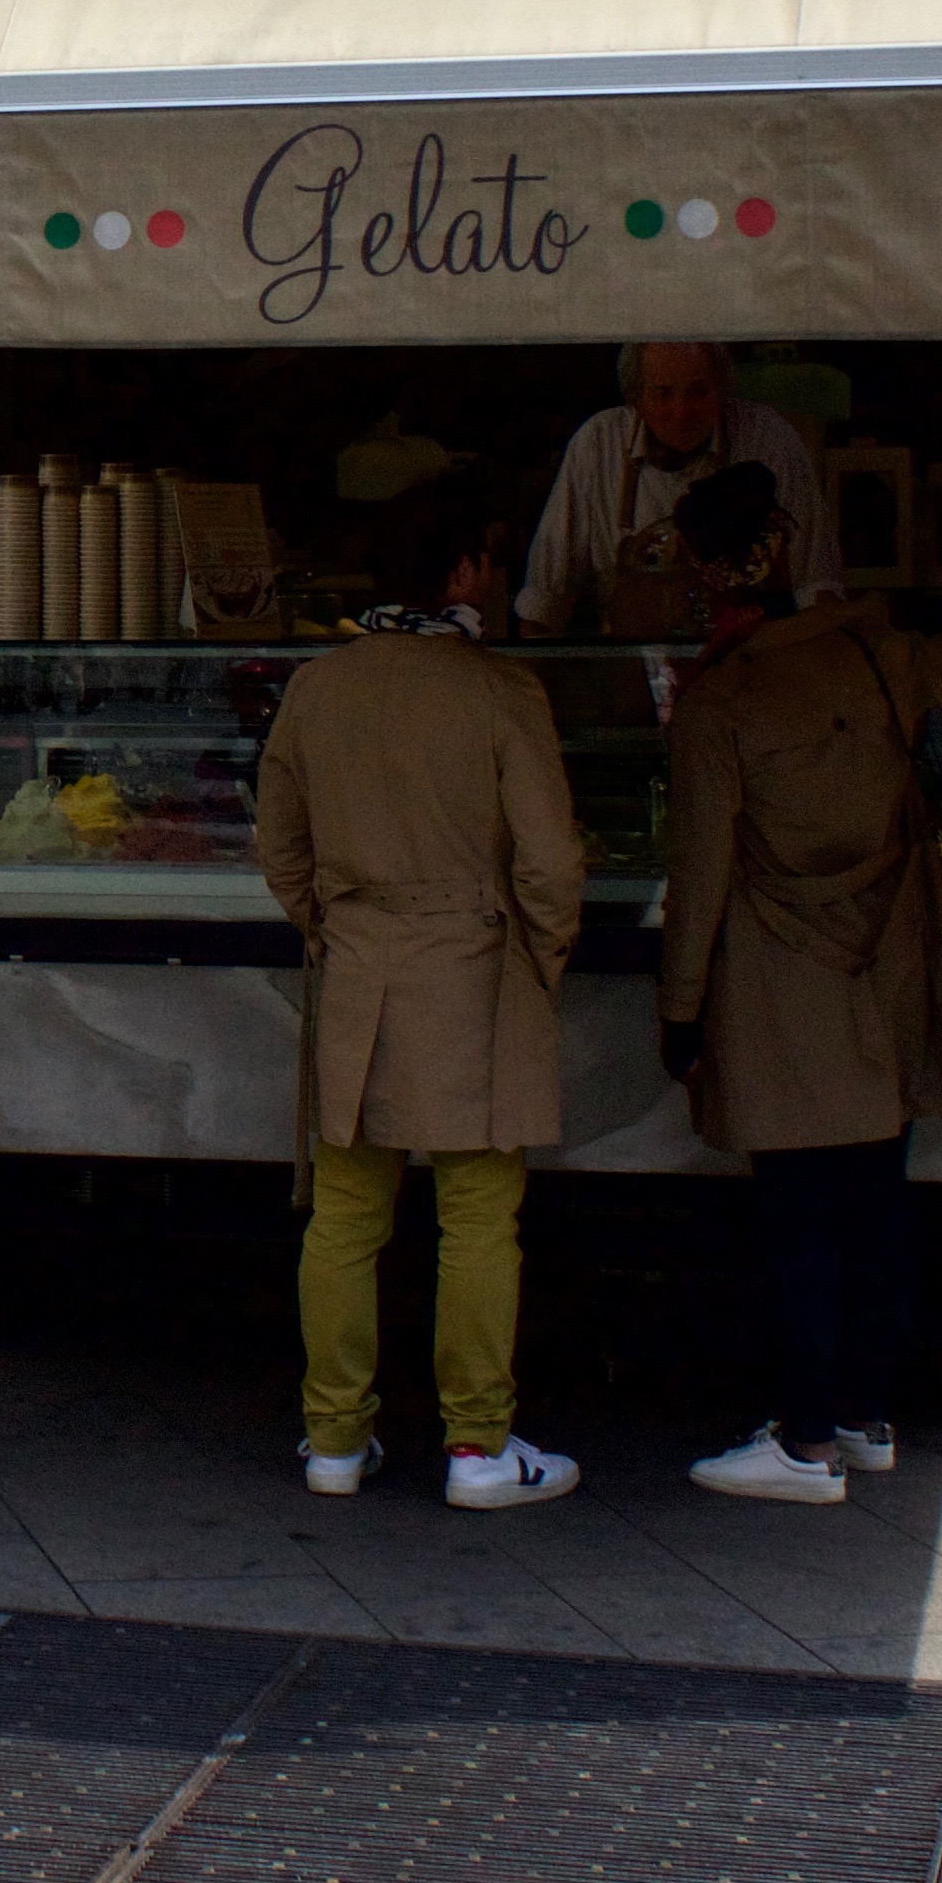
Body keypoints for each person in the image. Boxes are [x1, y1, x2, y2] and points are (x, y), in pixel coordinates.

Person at [655, 460, 942, 1503]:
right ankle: (862, 1415)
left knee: (798, 1216)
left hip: (779, 978)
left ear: (705, 576)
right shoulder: (875, 652)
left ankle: (802, 1441)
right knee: (876, 1203)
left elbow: (702, 873)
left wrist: (679, 1010)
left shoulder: (719, 702)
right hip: (891, 954)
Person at [252, 519, 591, 1511]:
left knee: (346, 1214)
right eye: (490, 561)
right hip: (475, 967)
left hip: (358, 967)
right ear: (461, 571)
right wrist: (543, 953)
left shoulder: (320, 687)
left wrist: (332, 923)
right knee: (480, 1215)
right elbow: (553, 858)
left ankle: (333, 1441)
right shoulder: (499, 691)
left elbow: (279, 840)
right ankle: (479, 1448)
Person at [513, 342, 837, 639]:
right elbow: (543, 602)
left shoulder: (769, 439)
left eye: (699, 392)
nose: (682, 411)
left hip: (745, 670)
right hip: (636, 673)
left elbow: (818, 584)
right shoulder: (598, 444)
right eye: (662, 393)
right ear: (636, 398)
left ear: (722, 389)